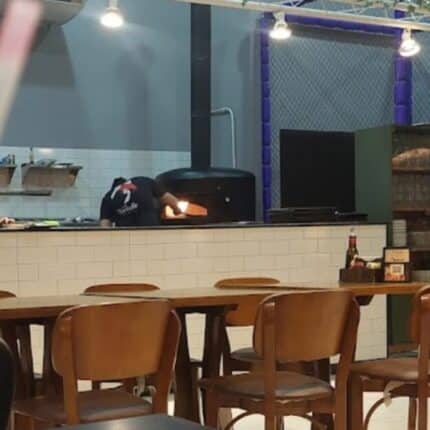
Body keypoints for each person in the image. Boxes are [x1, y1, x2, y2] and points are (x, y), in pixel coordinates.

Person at [100, 176, 181, 227]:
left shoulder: (108, 197)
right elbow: (170, 200)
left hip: (126, 235)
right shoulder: (144, 181)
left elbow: (104, 225)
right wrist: (177, 211)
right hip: (150, 228)